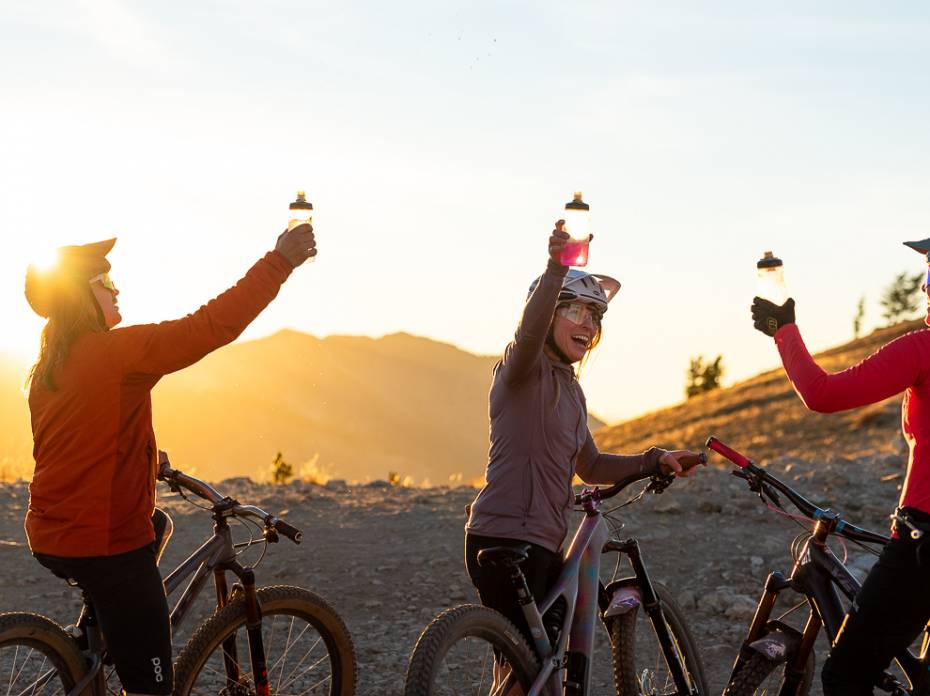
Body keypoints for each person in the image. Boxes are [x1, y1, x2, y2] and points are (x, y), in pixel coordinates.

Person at [23, 222, 316, 696]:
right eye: (106, 282)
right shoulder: (117, 354)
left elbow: (71, 441)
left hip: (49, 533)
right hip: (105, 545)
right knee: (152, 684)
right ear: (82, 294)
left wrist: (141, 453)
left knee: (156, 523)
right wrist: (278, 262)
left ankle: (101, 636)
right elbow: (209, 326)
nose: (117, 289)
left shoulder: (48, 368)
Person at [464, 220, 705, 672]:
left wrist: (655, 460)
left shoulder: (571, 392)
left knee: (529, 665)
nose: (588, 324)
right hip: (505, 534)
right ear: (547, 315)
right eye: (575, 311)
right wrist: (556, 268)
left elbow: (590, 464)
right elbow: (529, 332)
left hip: (542, 541)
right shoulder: (520, 371)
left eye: (595, 316)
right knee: (533, 664)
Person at [750, 237, 930, 696]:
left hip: (923, 540)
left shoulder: (922, 349)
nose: (925, 289)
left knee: (846, 676)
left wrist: (784, 331)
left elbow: (823, 394)